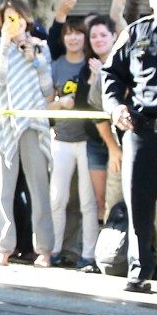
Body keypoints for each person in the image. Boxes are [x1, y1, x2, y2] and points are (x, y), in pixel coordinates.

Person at [102, 0, 157, 293]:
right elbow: (110, 75)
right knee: (139, 204)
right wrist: (115, 107)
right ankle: (140, 271)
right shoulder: (136, 33)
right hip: (143, 131)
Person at [0, 0, 56, 267]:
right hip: (4, 123)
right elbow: (0, 78)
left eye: (18, 17)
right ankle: (2, 249)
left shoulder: (41, 47)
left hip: (33, 124)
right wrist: (5, 44)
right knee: (3, 189)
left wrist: (35, 59)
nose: (13, 23)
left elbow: (48, 90)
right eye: (8, 18)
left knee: (39, 188)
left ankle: (44, 250)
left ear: (27, 18)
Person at [47, 19, 101, 270]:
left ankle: (88, 254)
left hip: (89, 141)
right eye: (69, 34)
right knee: (58, 199)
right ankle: (53, 250)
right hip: (61, 139)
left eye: (79, 34)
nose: (73, 39)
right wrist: (60, 103)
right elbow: (44, 106)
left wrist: (95, 76)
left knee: (88, 202)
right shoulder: (55, 66)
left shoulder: (94, 63)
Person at [84, 15, 123, 221]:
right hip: (101, 143)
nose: (98, 40)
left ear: (115, 37)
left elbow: (121, 11)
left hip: (134, 143)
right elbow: (91, 108)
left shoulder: (129, 64)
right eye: (93, 36)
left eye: (103, 35)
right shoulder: (89, 68)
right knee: (106, 201)